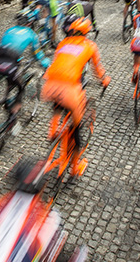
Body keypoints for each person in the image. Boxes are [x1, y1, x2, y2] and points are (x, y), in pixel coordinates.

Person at [40, 18, 109, 177]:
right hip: (70, 90)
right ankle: (74, 168)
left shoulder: (63, 43)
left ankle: (53, 130)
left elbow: (58, 63)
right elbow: (97, 70)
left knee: (57, 103)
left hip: (49, 86)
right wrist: (104, 80)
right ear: (86, 32)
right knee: (76, 131)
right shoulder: (90, 46)